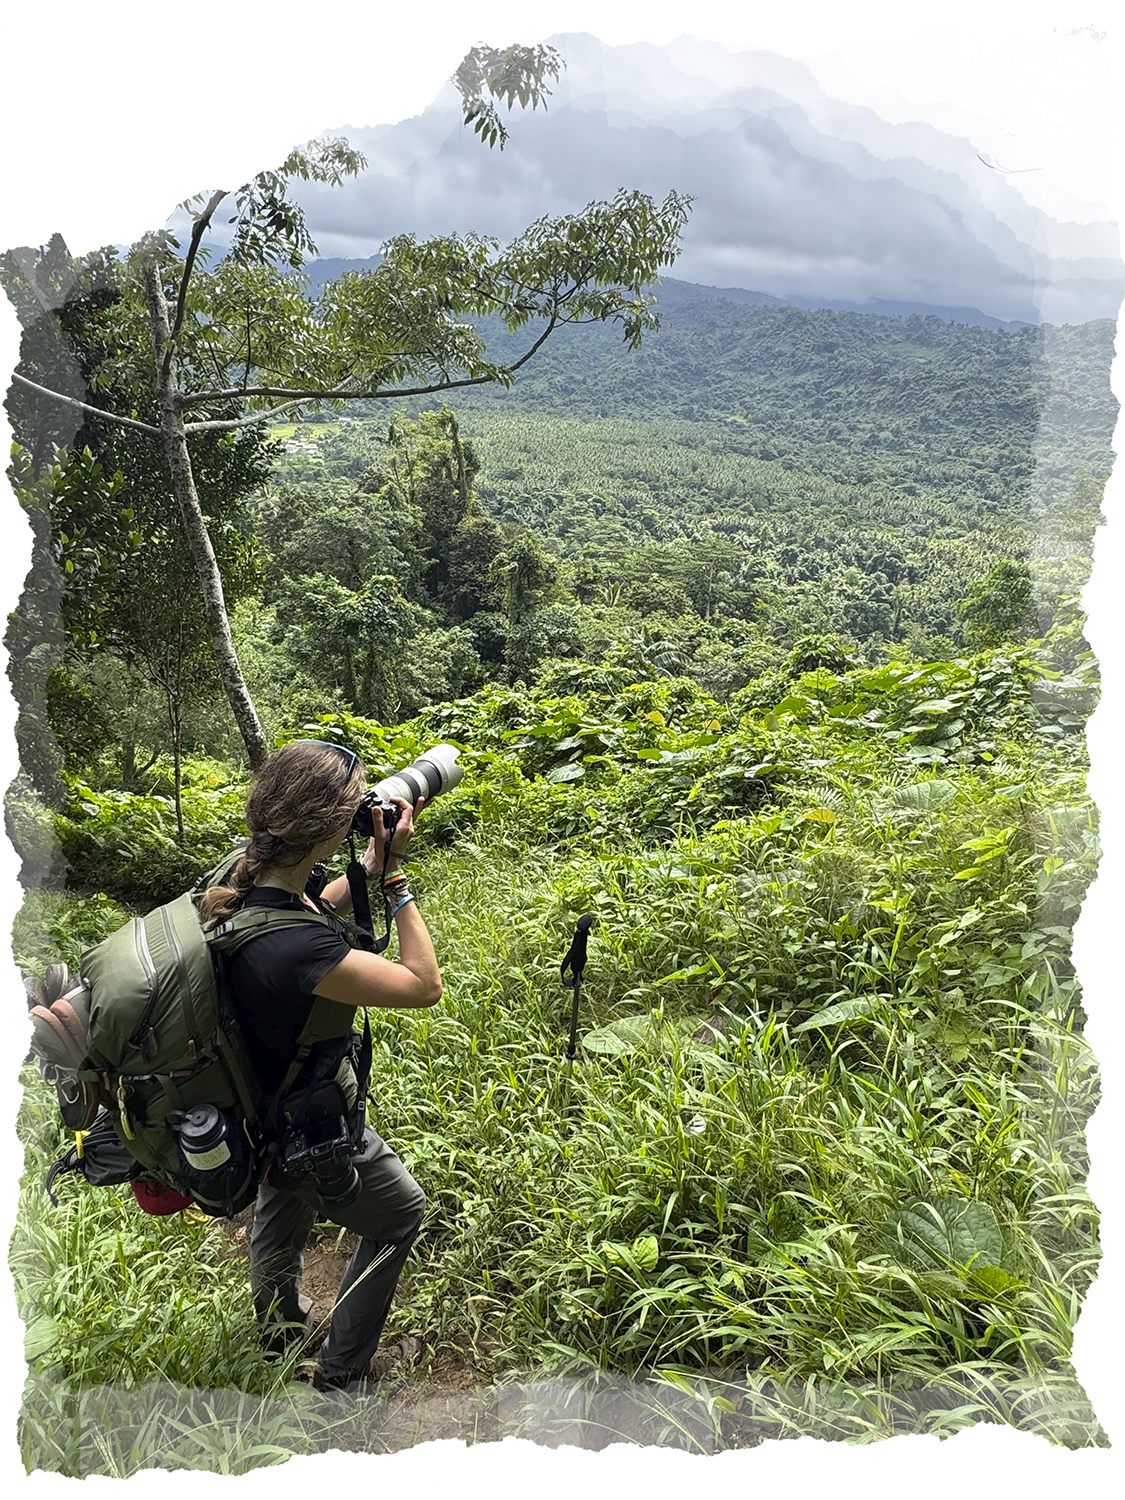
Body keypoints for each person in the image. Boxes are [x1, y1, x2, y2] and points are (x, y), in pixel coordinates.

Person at [195, 740, 442, 1403]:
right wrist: (395, 879)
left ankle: (278, 1337)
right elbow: (422, 984)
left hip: (258, 1105)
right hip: (307, 1112)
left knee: (283, 1195)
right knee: (399, 1213)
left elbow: (311, 912)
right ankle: (341, 1380)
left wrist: (368, 863)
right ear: (329, 825)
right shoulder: (298, 949)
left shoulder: (242, 884)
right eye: (356, 805)